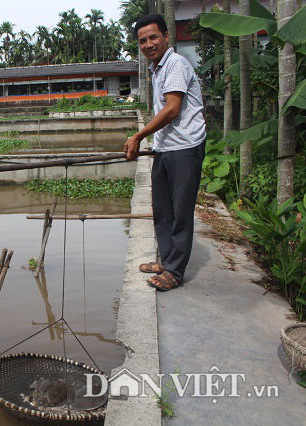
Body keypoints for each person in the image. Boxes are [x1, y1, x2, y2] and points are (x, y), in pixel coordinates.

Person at [123, 13, 206, 291]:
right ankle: (167, 260)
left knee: (180, 211)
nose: (148, 44)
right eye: (142, 40)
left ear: (166, 37)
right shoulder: (156, 69)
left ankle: (175, 272)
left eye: (153, 37)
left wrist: (138, 135)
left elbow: (172, 109)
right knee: (163, 210)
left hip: (185, 147)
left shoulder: (176, 64)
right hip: (165, 147)